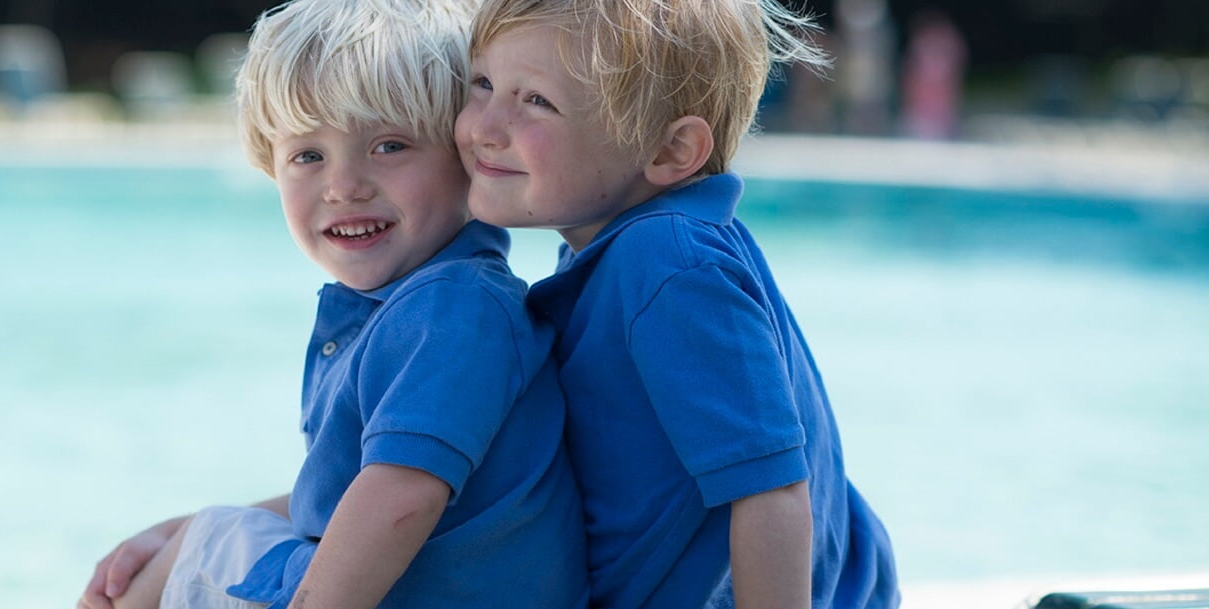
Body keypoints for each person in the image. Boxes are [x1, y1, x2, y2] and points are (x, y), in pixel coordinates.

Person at [77, 1, 589, 608]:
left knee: (194, 552)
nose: (344, 186)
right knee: (201, 536)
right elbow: (344, 498)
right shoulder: (406, 306)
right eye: (308, 156)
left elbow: (399, 498)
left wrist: (191, 545)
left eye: (391, 145)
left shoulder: (452, 308)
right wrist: (179, 532)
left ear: (469, 154)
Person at [453, 1, 900, 608]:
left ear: (669, 152)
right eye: (482, 84)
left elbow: (772, 490)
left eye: (536, 101)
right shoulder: (620, 250)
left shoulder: (666, 259)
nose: (484, 125)